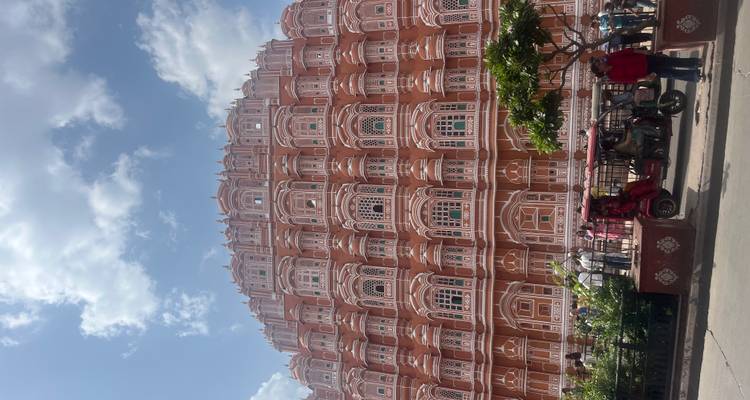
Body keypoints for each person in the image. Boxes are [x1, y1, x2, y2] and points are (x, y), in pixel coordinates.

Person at [590, 48, 703, 83]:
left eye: (598, 60)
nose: (600, 61)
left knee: (671, 61)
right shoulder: (612, 77)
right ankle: (693, 75)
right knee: (670, 73)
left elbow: (628, 51)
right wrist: (645, 78)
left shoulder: (610, 57)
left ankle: (694, 62)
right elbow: (631, 80)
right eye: (598, 63)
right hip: (646, 71)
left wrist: (643, 52)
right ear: (600, 70)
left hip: (646, 59)